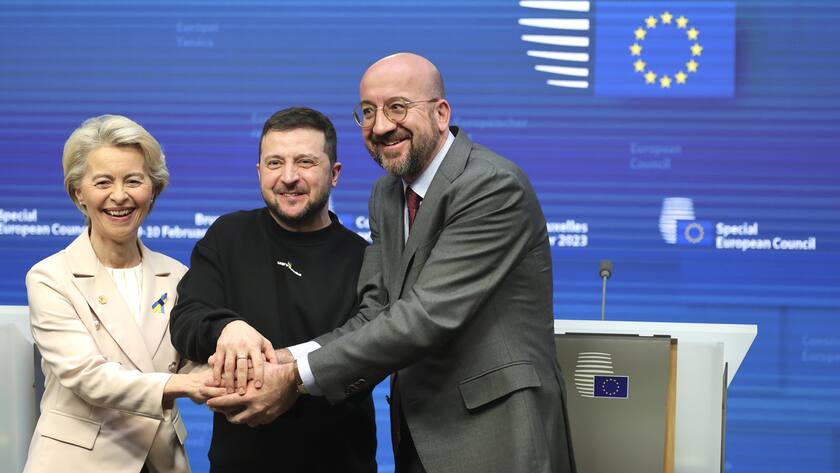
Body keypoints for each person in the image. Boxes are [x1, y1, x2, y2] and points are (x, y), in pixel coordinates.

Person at [206, 53, 577, 473]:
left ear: (441, 113)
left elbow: (426, 315)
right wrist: (282, 361)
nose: (380, 126)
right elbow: (378, 311)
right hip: (419, 432)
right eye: (368, 112)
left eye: (397, 107)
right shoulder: (387, 194)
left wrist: (294, 377)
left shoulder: (490, 185)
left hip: (496, 434)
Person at [169, 107, 377, 473]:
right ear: (259, 172)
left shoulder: (364, 258)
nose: (289, 177)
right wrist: (226, 328)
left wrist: (292, 381)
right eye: (275, 163)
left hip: (338, 462)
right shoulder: (227, 235)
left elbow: (367, 355)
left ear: (335, 174)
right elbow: (186, 320)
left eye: (306, 162)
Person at [23, 115, 216, 473]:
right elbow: (89, 376)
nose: (119, 196)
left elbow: (191, 360)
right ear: (78, 192)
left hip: (160, 461)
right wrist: (185, 384)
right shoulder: (50, 277)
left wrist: (234, 372)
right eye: (103, 182)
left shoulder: (176, 275)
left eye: (133, 180)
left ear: (153, 189)